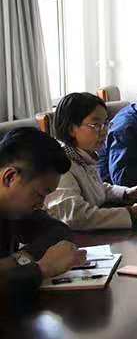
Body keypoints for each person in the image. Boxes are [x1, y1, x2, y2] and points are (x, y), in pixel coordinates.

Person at [45, 93, 137, 230]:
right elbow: (75, 216)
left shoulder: (84, 155)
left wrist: (126, 193)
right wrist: (132, 213)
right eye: (96, 125)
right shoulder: (60, 165)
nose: (104, 131)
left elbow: (96, 189)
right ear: (71, 129)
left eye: (106, 123)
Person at [0, 128, 86, 311]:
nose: (42, 204)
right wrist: (42, 268)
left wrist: (20, 259)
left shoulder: (14, 207)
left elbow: (58, 231)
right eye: (40, 194)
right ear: (10, 177)